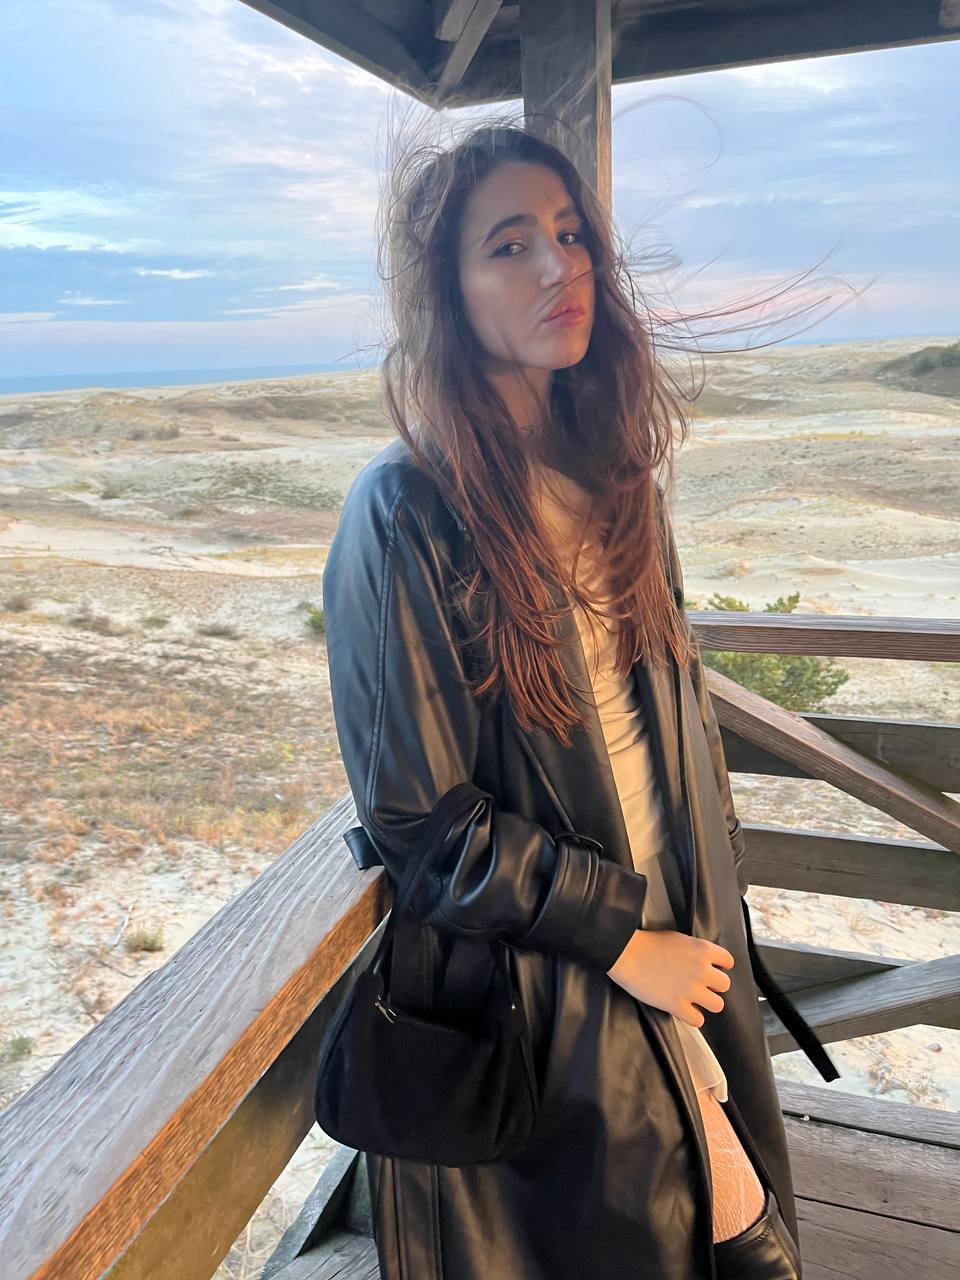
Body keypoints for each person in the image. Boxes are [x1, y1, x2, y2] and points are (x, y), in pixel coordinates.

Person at [322, 115, 822, 1278]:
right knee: (739, 1245)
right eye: (509, 245)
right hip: (558, 989)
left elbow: (672, 724)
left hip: (678, 943)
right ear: (447, 293)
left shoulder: (613, 477)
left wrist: (706, 898)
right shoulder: (405, 511)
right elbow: (423, 823)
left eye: (568, 232)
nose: (558, 266)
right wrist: (625, 938)